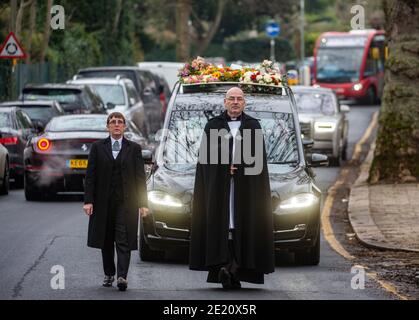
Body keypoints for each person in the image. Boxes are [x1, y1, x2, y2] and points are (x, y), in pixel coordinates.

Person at [189, 87, 275, 289]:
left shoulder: (253, 126)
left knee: (241, 224)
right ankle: (226, 267)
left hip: (246, 189)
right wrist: (224, 167)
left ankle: (234, 269)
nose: (235, 102)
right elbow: (205, 162)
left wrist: (242, 167)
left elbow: (259, 162)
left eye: (239, 99)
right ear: (225, 102)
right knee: (223, 224)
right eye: (232, 99)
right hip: (220, 189)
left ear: (244, 103)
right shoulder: (213, 126)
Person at [83, 112, 149, 291]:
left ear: (125, 127)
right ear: (108, 127)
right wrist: (88, 201)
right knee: (105, 239)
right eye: (113, 122)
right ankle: (109, 273)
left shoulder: (134, 148)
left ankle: (122, 276)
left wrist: (143, 203)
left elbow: (139, 177)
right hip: (103, 203)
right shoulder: (97, 147)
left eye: (120, 122)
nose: (117, 125)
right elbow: (90, 176)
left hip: (126, 203)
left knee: (123, 238)